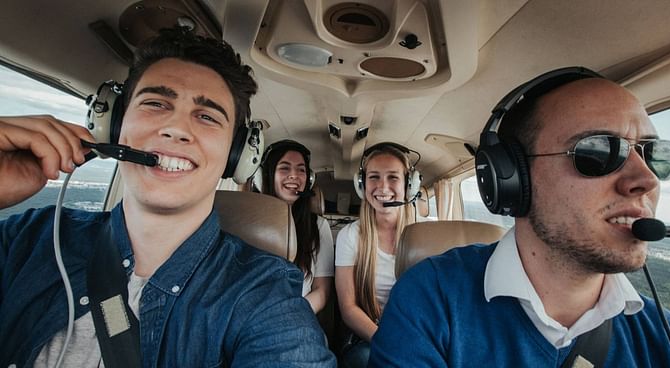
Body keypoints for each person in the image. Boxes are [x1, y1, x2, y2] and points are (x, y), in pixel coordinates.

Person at [0, 27, 334, 367]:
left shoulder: (263, 293)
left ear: (237, 156)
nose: (176, 129)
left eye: (206, 116)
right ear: (113, 126)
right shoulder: (28, 240)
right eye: (156, 103)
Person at [369, 67, 670, 367]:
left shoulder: (663, 337)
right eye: (598, 152)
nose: (646, 180)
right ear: (512, 180)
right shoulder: (430, 300)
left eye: (655, 154)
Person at [334, 143, 417, 368]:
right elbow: (348, 309)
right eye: (373, 177)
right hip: (369, 336)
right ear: (361, 184)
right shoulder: (350, 236)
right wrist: (390, 343)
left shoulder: (425, 234)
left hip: (418, 334)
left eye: (393, 177)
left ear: (409, 185)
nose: (382, 186)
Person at [258, 139, 334, 314]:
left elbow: (322, 291)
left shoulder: (318, 226)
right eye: (284, 167)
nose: (294, 175)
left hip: (297, 315)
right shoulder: (246, 222)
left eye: (301, 170)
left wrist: (291, 315)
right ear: (267, 176)